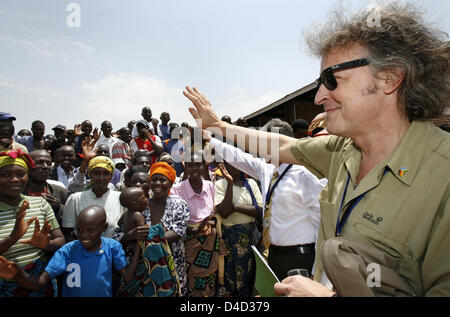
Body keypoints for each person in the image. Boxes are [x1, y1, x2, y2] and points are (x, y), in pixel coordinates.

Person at [183, 3, 450, 297]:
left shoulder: (442, 174)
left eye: (332, 79)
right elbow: (283, 146)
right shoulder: (340, 151)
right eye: (318, 83)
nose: (321, 96)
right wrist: (218, 126)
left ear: (389, 78)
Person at [205, 119, 327, 281]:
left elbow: (322, 225)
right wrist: (210, 140)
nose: (260, 150)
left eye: (264, 145)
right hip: (274, 257)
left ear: (280, 145)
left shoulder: (306, 175)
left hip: (300, 258)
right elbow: (239, 158)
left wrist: (317, 271)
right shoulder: (269, 169)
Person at [0, 206, 141, 297]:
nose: (83, 235)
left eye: (90, 230)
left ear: (103, 227)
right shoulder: (68, 250)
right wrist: (17, 274)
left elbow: (127, 277)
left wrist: (139, 247)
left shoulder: (112, 247)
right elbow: (39, 283)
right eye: (79, 230)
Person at [112, 162, 190, 296]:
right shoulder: (141, 204)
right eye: (154, 179)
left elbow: (178, 231)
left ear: (171, 183)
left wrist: (147, 239)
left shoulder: (178, 203)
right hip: (142, 267)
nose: (158, 183)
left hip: (172, 264)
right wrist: (130, 235)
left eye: (163, 180)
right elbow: (119, 235)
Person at [0, 149, 65, 297]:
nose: (15, 179)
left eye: (20, 174)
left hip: (39, 280)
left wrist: (46, 245)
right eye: (5, 175)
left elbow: (61, 240)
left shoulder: (41, 203)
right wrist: (12, 238)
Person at [172, 151, 227, 297]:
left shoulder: (210, 186)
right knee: (192, 280)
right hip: (189, 243)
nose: (194, 169)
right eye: (190, 165)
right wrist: (197, 229)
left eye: (198, 165)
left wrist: (209, 224)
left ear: (204, 166)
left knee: (210, 280)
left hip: (210, 242)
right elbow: (176, 222)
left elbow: (216, 211)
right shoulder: (177, 190)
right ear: (185, 167)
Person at [214, 162, 262, 297]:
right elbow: (224, 213)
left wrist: (235, 207)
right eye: (229, 163)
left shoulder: (251, 184)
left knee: (249, 277)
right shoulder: (220, 185)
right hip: (230, 239)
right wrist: (229, 183)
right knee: (230, 278)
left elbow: (259, 210)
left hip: (250, 239)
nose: (233, 166)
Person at [62, 155, 125, 242]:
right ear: (90, 174)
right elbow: (67, 233)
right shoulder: (75, 199)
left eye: (106, 173)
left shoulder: (120, 198)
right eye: (96, 173)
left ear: (111, 176)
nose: (101, 178)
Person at [25, 150, 69, 225]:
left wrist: (59, 208)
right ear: (27, 166)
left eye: (48, 163)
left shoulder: (60, 192)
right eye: (39, 163)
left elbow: (70, 223)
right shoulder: (16, 193)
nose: (45, 166)